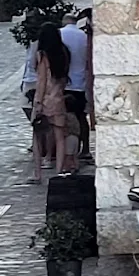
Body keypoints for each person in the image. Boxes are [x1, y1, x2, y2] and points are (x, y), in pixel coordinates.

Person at [31, 23, 77, 182]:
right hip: (58, 99)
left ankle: (37, 174)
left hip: (45, 100)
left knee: (37, 137)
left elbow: (42, 80)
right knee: (59, 137)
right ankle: (58, 173)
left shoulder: (42, 55)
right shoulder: (64, 53)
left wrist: (38, 102)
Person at [60, 10, 92, 163]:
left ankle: (69, 154)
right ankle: (85, 148)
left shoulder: (60, 34)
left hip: (65, 82)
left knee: (67, 120)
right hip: (81, 82)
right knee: (81, 118)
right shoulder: (84, 36)